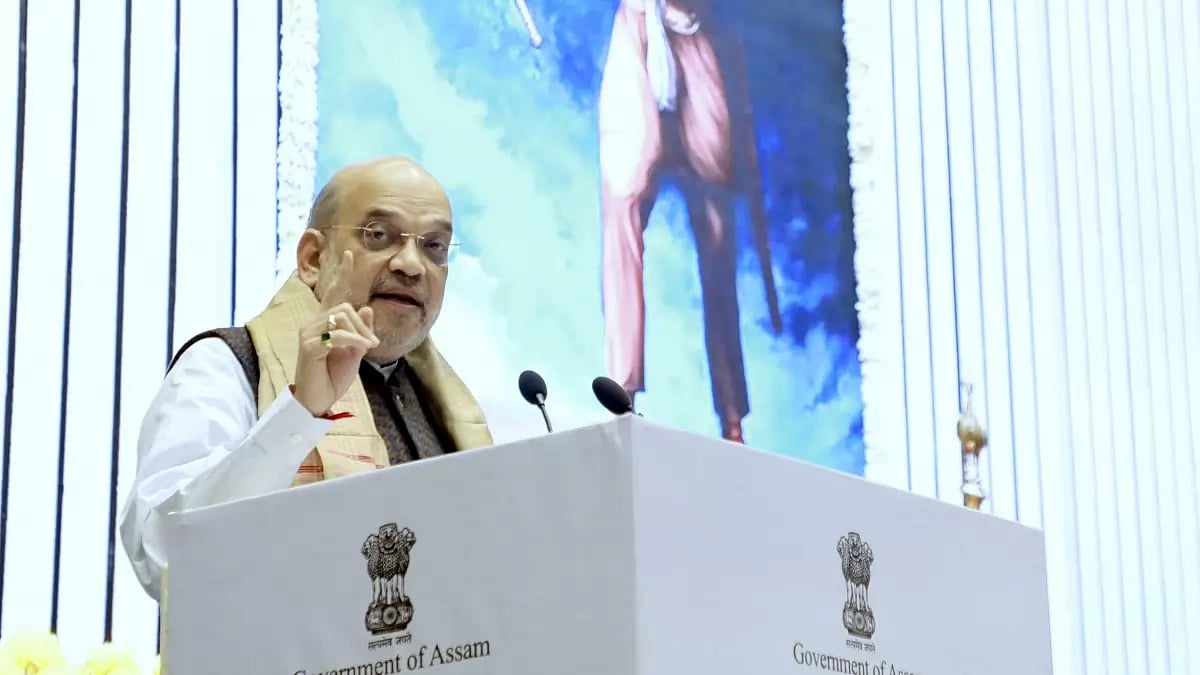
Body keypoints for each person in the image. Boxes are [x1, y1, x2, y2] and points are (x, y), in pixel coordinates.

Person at [119, 156, 494, 602]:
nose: (413, 265)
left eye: (434, 246)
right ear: (314, 259)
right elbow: (164, 557)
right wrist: (300, 412)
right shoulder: (230, 366)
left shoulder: (443, 408)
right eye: (379, 235)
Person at [596, 0, 779, 443]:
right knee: (622, 213)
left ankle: (732, 416)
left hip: (695, 40)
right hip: (640, 35)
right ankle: (623, 394)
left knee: (718, 242)